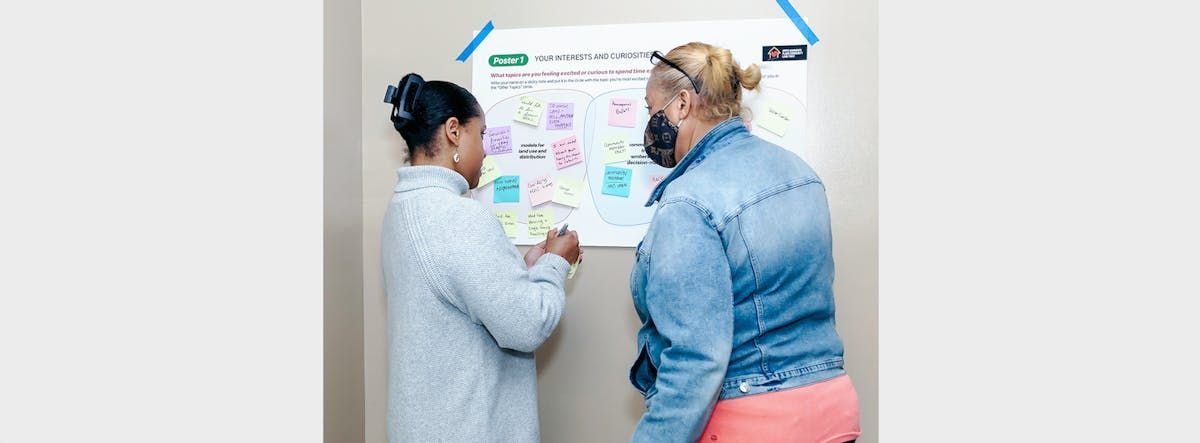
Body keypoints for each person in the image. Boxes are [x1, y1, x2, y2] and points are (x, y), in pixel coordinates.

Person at [629, 43, 861, 443]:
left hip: (752, 416)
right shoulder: (800, 172)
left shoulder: (688, 201)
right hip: (832, 405)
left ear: (682, 104)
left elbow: (696, 359)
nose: (651, 124)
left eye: (652, 110)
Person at [380, 73, 581, 442]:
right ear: (454, 131)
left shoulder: (402, 208)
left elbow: (455, 302)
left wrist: (523, 273)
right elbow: (527, 325)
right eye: (482, 134)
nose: (486, 150)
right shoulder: (459, 216)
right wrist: (556, 264)